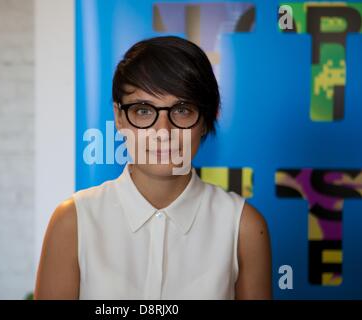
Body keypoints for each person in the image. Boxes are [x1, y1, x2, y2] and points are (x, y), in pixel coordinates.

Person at [34, 36, 272, 299]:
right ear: (119, 117)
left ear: (205, 119)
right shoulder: (74, 220)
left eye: (182, 110)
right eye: (144, 111)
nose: (163, 132)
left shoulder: (243, 226)